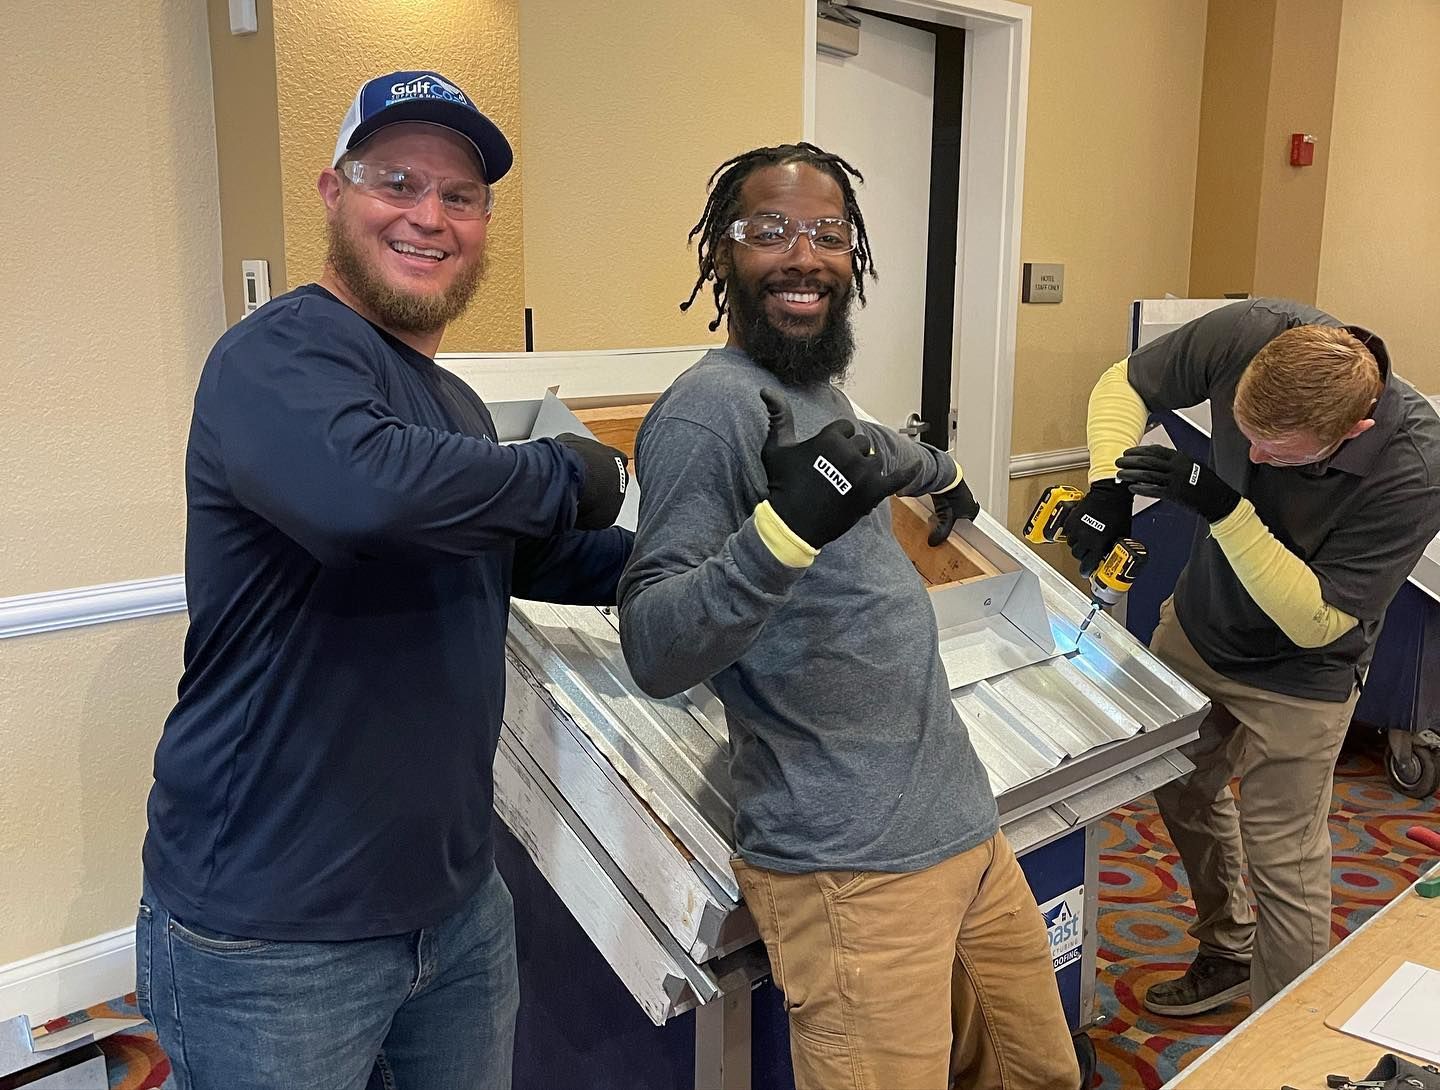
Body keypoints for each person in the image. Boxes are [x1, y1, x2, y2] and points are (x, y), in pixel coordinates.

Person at [138, 70, 632, 1090]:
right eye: (396, 181)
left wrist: (738, 554)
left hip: (455, 911)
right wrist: (568, 472)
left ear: (485, 224)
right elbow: (364, 497)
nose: (428, 216)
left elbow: (526, 555)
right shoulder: (275, 356)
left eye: (459, 197)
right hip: (274, 941)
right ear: (332, 192)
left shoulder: (451, 401)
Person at [618, 143, 1080, 1090]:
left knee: (1041, 1077)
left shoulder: (811, 387)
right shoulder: (708, 413)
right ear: (720, 256)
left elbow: (865, 451)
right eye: (770, 232)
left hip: (962, 828)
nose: (805, 256)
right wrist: (784, 533)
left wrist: (937, 470)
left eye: (829, 233)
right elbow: (657, 648)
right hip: (850, 871)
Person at [1068, 298, 1440, 1015]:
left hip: (1307, 672)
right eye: (1245, 436)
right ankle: (1228, 949)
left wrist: (1228, 511)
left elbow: (1315, 620)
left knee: (1285, 857)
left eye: (1281, 453)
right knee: (1180, 784)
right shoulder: (1251, 331)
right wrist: (1108, 483)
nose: (1256, 459)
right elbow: (1126, 382)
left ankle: (1278, 1040)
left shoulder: (1414, 468)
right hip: (1202, 624)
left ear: (1352, 431)